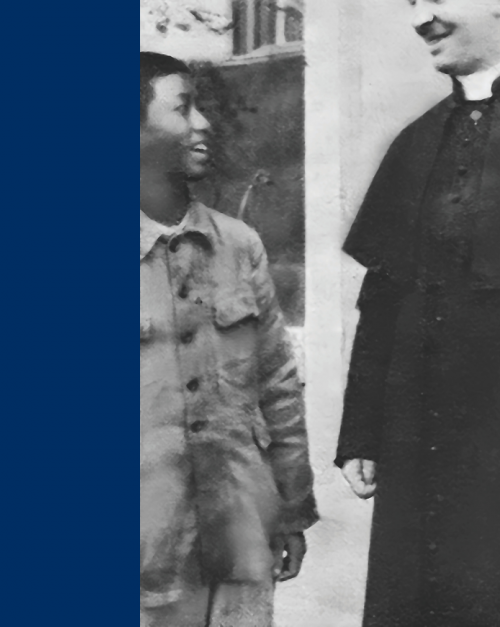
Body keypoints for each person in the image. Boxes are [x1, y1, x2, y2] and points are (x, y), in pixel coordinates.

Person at [336, 0, 500, 626]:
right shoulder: (415, 140)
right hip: (417, 456)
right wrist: (362, 433)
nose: (419, 18)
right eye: (411, 0)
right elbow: (383, 299)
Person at [140, 52, 317, 627]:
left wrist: (291, 508)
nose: (203, 125)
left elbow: (278, 385)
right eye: (183, 109)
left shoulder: (240, 244)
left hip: (242, 534)